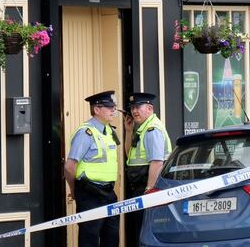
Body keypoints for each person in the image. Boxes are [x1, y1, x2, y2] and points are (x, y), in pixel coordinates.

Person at [64, 91, 121, 247]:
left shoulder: (108, 131)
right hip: (90, 194)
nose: (113, 111)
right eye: (109, 107)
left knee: (112, 238)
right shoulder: (85, 133)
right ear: (96, 109)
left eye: (114, 107)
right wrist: (75, 190)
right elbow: (69, 167)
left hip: (109, 193)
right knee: (89, 239)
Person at [123, 92, 171, 247]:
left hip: (147, 188)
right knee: (140, 229)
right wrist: (129, 132)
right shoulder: (141, 128)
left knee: (145, 232)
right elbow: (129, 153)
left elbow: (157, 162)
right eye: (132, 108)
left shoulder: (152, 129)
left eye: (138, 107)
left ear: (150, 108)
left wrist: (149, 190)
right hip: (140, 187)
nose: (134, 111)